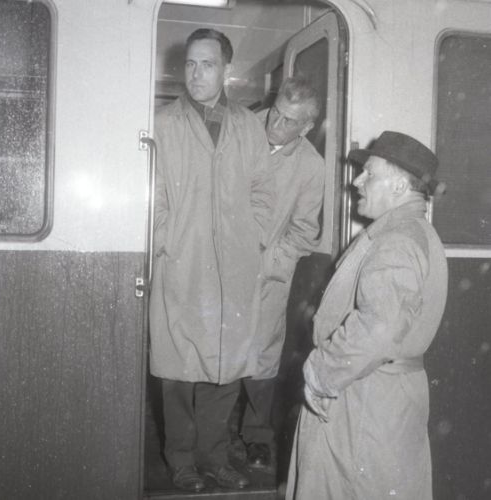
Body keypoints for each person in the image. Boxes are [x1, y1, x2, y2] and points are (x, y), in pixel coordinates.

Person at [286, 131, 448, 500]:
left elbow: (379, 327)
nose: (357, 181)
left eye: (369, 174)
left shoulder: (397, 241)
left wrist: (321, 374)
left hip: (364, 402)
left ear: (399, 186)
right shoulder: (414, 232)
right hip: (380, 396)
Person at [149, 28, 273, 492]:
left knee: (225, 368)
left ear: (227, 70)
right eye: (190, 64)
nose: (197, 73)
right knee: (179, 371)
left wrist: (253, 239)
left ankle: (214, 457)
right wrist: (169, 241)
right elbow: (153, 196)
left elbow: (263, 192)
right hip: (183, 262)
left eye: (207, 64)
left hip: (234, 266)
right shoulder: (163, 124)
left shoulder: (248, 125)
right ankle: (181, 461)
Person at [240, 77, 325, 470]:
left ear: (306, 127)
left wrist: (272, 263)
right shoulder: (241, 129)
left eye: (289, 121)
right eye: (275, 112)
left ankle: (256, 436)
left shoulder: (311, 166)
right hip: (217, 265)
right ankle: (208, 439)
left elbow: (305, 230)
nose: (275, 124)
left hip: (267, 274)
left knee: (262, 355)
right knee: (212, 349)